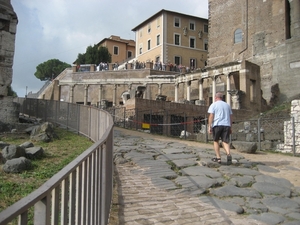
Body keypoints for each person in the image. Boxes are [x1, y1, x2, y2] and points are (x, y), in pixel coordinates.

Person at [207, 92, 233, 165]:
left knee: (216, 141)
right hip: (226, 125)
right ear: (222, 98)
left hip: (217, 124)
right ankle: (228, 154)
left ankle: (218, 158)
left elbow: (211, 115)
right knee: (225, 141)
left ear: (215, 97)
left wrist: (209, 126)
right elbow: (231, 117)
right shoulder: (227, 105)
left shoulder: (214, 104)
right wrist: (230, 127)